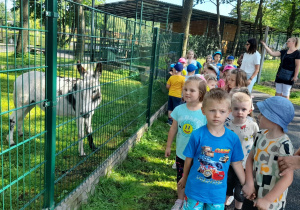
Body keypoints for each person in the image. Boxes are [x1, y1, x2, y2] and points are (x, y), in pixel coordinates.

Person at [178, 88, 245, 210]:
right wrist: (184, 177)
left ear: (228, 112)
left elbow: (236, 163)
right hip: (194, 191)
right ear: (203, 111)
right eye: (212, 110)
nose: (217, 115)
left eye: (222, 111)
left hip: (217, 195)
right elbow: (188, 159)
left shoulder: (233, 138)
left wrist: (245, 184)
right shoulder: (197, 135)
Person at [242, 96, 295, 210]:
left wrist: (267, 200)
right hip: (253, 195)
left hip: (270, 204)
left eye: (262, 113)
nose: (258, 116)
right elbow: (250, 159)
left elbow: (288, 177)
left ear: (274, 119)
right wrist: (249, 183)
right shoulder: (260, 135)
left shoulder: (283, 145)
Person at [165, 76, 207, 210]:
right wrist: (168, 146)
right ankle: (180, 200)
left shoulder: (205, 112)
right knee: (181, 177)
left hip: (198, 156)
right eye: (185, 90)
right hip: (181, 153)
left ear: (200, 94)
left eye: (191, 90)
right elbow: (173, 129)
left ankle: (193, 201)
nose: (187, 93)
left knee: (195, 178)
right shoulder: (179, 110)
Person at [224, 92, 259, 210]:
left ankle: (238, 208)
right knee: (226, 187)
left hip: (245, 164)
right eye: (236, 109)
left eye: (244, 109)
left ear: (249, 110)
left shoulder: (252, 125)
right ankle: (221, 205)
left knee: (240, 191)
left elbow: (257, 141)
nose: (240, 112)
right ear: (230, 110)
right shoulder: (226, 125)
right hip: (227, 163)